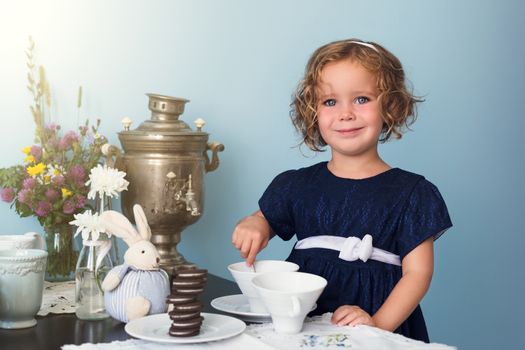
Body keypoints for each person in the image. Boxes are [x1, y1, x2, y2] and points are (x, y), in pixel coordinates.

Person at [231, 39, 452, 342]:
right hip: (302, 320)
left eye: (361, 99)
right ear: (313, 111)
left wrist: (378, 323)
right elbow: (264, 220)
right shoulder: (298, 184)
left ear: (390, 106)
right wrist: (255, 222)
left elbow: (418, 274)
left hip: (375, 322)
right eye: (330, 102)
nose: (345, 113)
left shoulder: (413, 193)